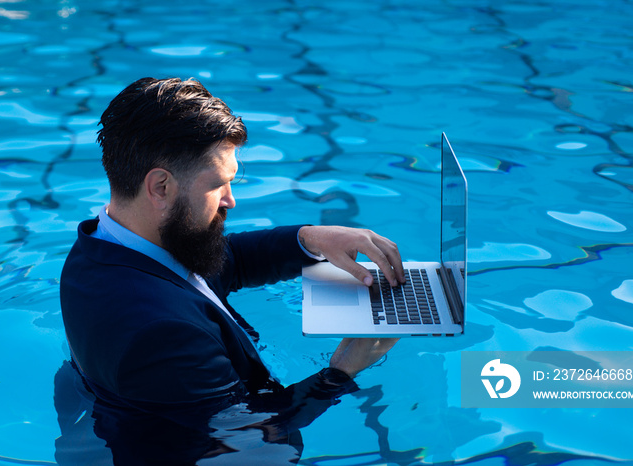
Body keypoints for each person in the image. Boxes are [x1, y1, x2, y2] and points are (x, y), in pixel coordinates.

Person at [59, 77, 405, 464]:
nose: (231, 200)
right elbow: (247, 437)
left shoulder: (105, 244)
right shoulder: (159, 331)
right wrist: (342, 371)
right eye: (218, 185)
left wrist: (310, 239)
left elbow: (225, 262)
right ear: (160, 187)